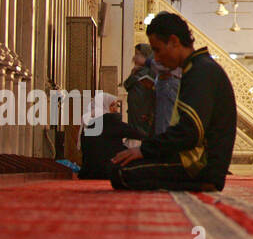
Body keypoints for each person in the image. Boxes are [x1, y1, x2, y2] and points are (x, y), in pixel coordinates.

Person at [109, 12, 237, 191]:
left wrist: (144, 150)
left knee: (120, 172)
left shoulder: (200, 72)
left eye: (158, 50)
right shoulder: (197, 68)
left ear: (174, 41)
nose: (157, 58)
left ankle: (202, 183)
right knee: (122, 167)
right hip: (197, 161)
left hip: (199, 166)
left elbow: (189, 133)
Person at [79, 93, 147, 181]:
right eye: (114, 106)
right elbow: (140, 134)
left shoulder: (88, 124)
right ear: (108, 106)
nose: (116, 109)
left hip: (89, 173)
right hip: (109, 171)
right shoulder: (111, 121)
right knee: (134, 140)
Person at [122, 44, 156, 134]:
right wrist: (133, 73)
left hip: (144, 110)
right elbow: (126, 85)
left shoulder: (151, 71)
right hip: (134, 110)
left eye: (138, 54)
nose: (135, 57)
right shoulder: (136, 71)